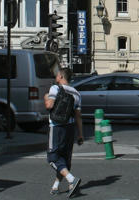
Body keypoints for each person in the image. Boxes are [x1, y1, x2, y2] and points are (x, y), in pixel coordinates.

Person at [45, 66, 83, 197]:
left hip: (56, 127)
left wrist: (46, 97)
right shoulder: (77, 93)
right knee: (65, 160)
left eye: (57, 75)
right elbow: (78, 116)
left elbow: (49, 105)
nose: (56, 77)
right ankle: (56, 186)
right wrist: (80, 135)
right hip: (70, 128)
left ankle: (72, 179)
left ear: (60, 77)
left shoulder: (55, 88)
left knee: (53, 158)